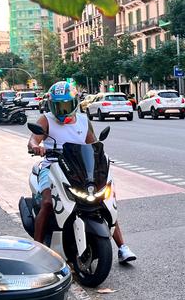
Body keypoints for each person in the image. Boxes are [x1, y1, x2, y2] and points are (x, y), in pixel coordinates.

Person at [28, 81, 137, 262]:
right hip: (52, 166)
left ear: (74, 103)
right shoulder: (46, 120)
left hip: (78, 168)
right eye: (57, 106)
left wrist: (100, 157)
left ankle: (122, 247)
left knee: (104, 202)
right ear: (51, 105)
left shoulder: (84, 121)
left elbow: (93, 145)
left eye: (65, 105)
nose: (62, 110)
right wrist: (36, 147)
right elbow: (33, 140)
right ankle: (37, 248)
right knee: (47, 203)